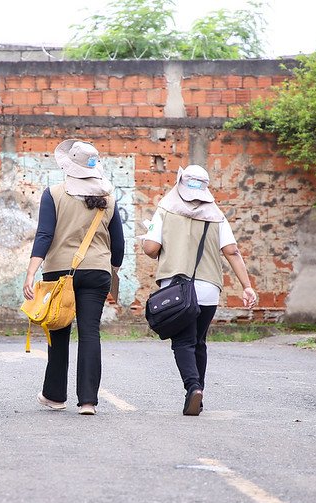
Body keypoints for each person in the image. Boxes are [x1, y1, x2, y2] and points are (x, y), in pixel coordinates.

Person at [142, 165, 256, 416]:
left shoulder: (165, 209)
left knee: (183, 341)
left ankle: (193, 388)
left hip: (176, 290)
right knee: (199, 342)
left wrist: (151, 241)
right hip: (208, 290)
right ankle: (199, 395)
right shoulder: (217, 215)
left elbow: (150, 248)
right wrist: (247, 287)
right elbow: (232, 252)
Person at [23, 139, 125, 415]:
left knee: (58, 331)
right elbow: (119, 244)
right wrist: (112, 269)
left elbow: (44, 235)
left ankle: (55, 396)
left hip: (59, 272)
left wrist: (32, 271)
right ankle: (88, 401)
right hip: (97, 271)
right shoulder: (109, 199)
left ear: (69, 167)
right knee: (90, 332)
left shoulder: (53, 194)